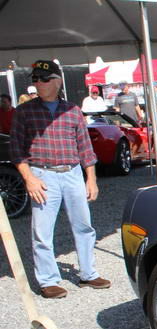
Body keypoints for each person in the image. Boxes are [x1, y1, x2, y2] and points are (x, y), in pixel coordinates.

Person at [9, 60, 111, 299]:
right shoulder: (24, 112)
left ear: (57, 81)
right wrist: (29, 178)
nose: (38, 83)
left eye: (44, 79)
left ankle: (88, 273)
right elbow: (16, 149)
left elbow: (85, 148)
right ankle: (48, 280)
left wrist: (91, 180)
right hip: (42, 174)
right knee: (42, 231)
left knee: (84, 226)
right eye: (35, 79)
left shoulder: (73, 111)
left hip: (73, 172)